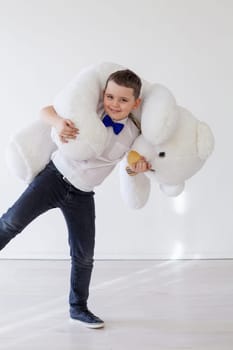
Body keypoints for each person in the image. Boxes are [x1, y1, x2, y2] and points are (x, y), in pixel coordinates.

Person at [0, 69, 151, 329]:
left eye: (123, 100)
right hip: (53, 179)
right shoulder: (90, 110)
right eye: (110, 96)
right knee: (11, 223)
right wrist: (58, 122)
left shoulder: (134, 135)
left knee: (84, 255)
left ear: (135, 104)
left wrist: (136, 169)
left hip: (82, 195)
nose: (114, 104)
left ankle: (78, 308)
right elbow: (45, 111)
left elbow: (127, 168)